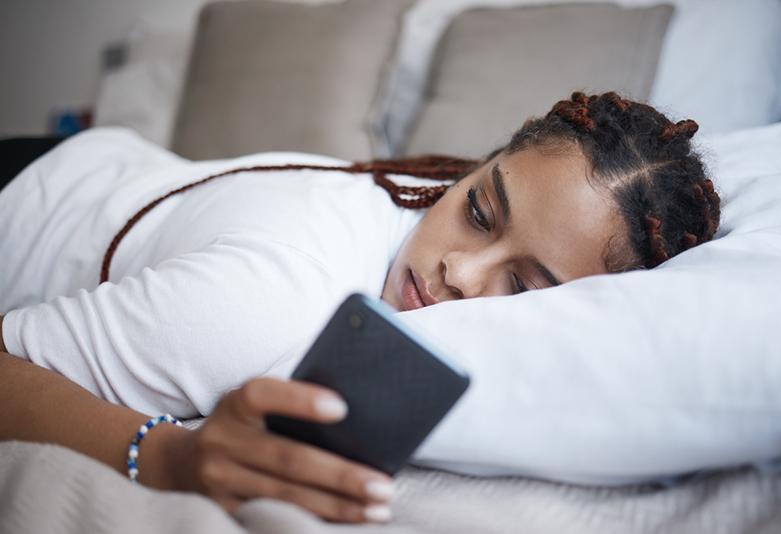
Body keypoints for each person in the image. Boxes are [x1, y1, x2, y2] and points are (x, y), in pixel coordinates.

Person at [0, 92, 721, 524]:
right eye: (478, 209)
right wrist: (166, 456)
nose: (459, 272)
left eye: (525, 285)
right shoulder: (264, 303)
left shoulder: (414, 200)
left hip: (96, 166)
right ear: (470, 170)